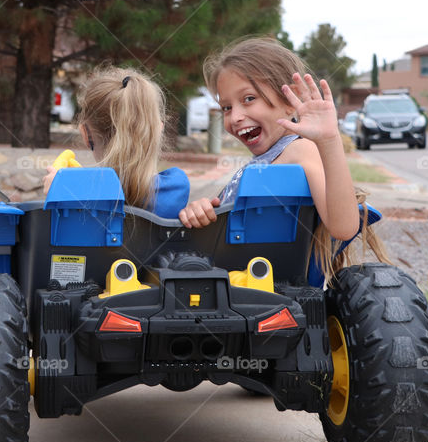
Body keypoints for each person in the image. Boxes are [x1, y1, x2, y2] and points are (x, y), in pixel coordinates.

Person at [178, 37, 386, 276]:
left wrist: (329, 140)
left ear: (290, 99)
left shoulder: (299, 150)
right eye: (227, 107)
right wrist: (201, 210)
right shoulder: (267, 160)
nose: (235, 117)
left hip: (255, 287)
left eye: (249, 99)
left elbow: (344, 227)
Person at [42, 65, 190, 217]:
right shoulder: (176, 188)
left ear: (85, 134)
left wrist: (63, 187)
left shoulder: (71, 193)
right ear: (158, 131)